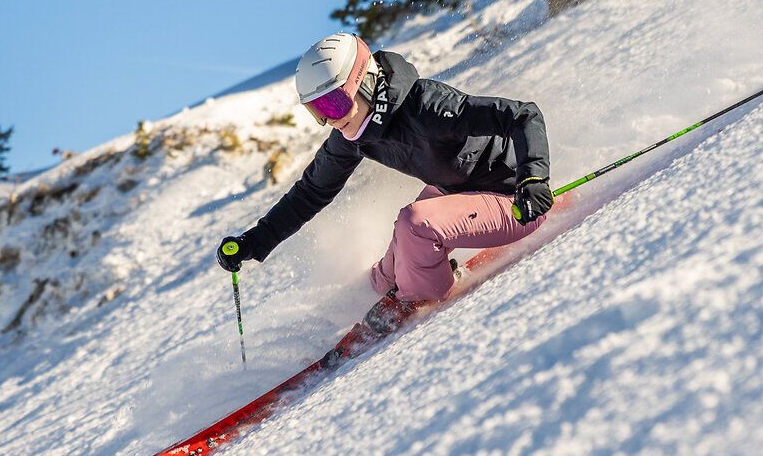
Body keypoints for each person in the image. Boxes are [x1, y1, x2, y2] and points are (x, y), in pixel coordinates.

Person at [217, 33, 554, 304]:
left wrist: (533, 178)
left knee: (415, 225)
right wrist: (252, 242)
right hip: (459, 189)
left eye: (334, 102)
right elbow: (311, 192)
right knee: (390, 265)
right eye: (317, 110)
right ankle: (384, 291)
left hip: (515, 199)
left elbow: (523, 115)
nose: (330, 120)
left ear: (364, 83)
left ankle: (419, 298)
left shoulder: (425, 106)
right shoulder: (353, 134)